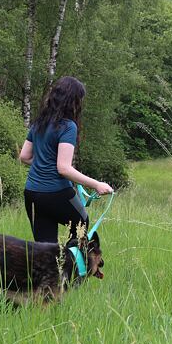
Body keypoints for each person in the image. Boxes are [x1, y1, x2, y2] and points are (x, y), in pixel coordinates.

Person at [19, 76, 113, 243]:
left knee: (45, 249)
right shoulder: (68, 126)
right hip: (55, 192)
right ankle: (71, 266)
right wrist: (97, 185)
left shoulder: (39, 123)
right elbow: (63, 168)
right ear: (73, 101)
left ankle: (53, 268)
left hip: (32, 193)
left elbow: (24, 157)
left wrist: (45, 163)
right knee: (81, 223)